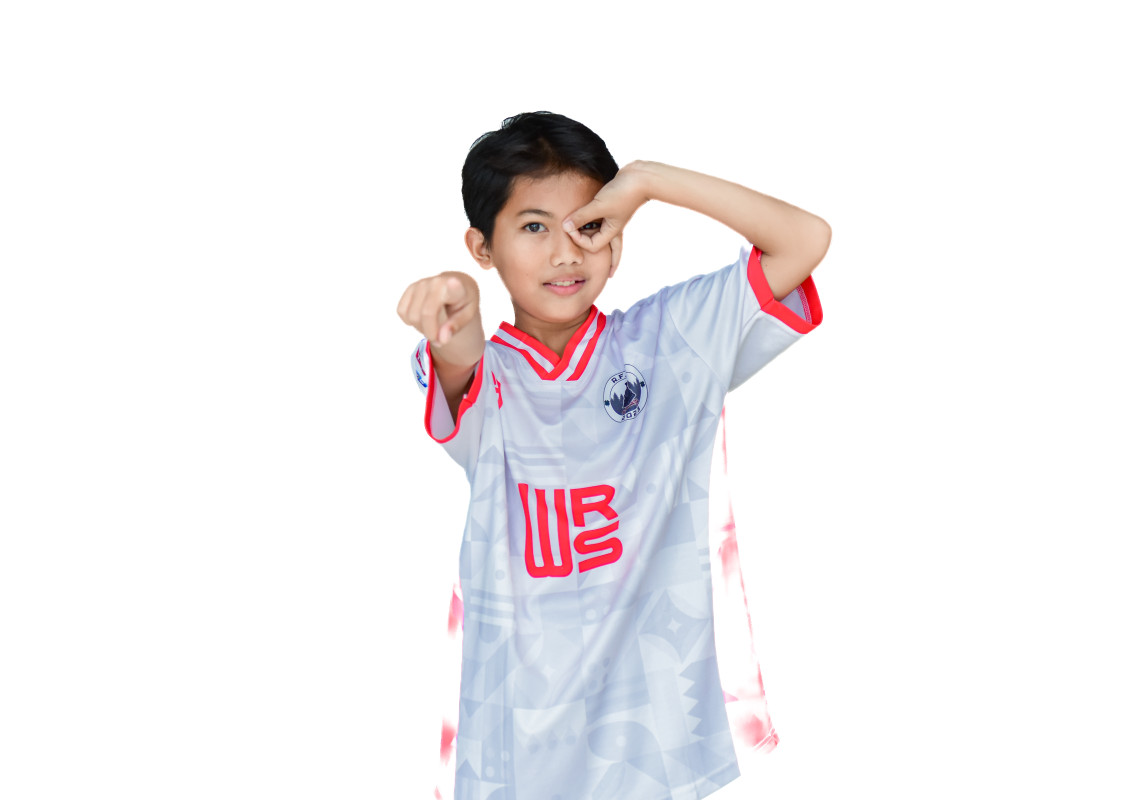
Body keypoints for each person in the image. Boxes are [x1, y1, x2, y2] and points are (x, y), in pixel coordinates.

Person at [397, 111, 830, 800]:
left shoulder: (670, 342)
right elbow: (459, 356)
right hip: (522, 745)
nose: (566, 253)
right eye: (534, 227)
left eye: (589, 225)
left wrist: (650, 181)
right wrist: (456, 305)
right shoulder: (493, 378)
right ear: (482, 246)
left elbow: (805, 240)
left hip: (655, 742)